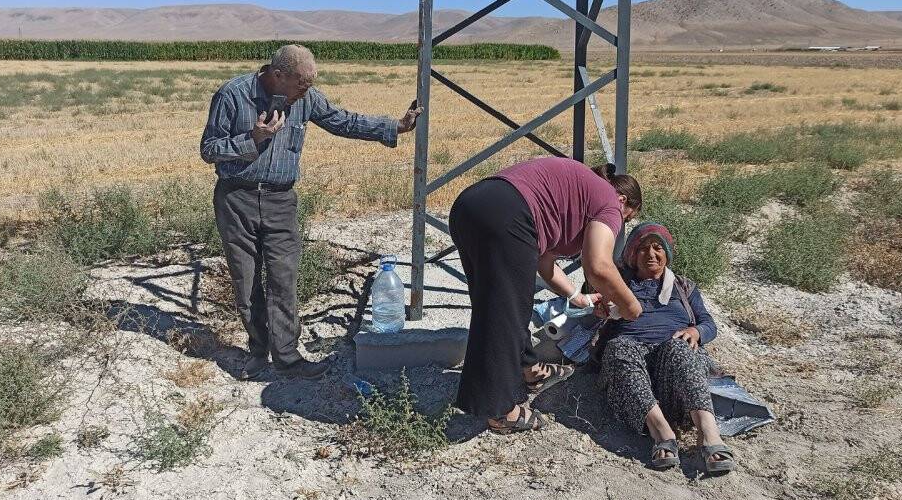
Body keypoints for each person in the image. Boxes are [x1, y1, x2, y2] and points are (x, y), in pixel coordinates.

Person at [200, 44, 420, 380]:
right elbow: (209, 149)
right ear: (278, 76)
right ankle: (259, 351)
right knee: (246, 283)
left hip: (280, 202)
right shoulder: (233, 94)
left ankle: (288, 358)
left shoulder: (305, 98)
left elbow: (342, 121)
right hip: (236, 200)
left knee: (283, 280)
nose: (307, 92)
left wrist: (395, 127)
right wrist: (252, 138)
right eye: (301, 85)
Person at [448, 156, 643, 434]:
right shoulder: (610, 203)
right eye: (626, 219)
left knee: (500, 303)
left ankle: (531, 370)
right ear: (623, 201)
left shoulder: (578, 194)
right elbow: (598, 266)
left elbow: (544, 263)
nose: (619, 226)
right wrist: (630, 304)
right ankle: (500, 410)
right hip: (508, 214)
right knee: (503, 312)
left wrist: (580, 298)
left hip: (471, 205)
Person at [593, 222, 736, 474]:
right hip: (632, 363)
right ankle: (661, 432)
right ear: (632, 255)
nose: (651, 254)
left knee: (679, 347)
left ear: (667, 253)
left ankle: (708, 432)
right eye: (643, 249)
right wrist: (600, 311)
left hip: (674, 369)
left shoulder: (684, 287)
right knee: (619, 347)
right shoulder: (618, 284)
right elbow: (592, 310)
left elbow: (708, 324)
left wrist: (696, 331)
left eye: (657, 248)